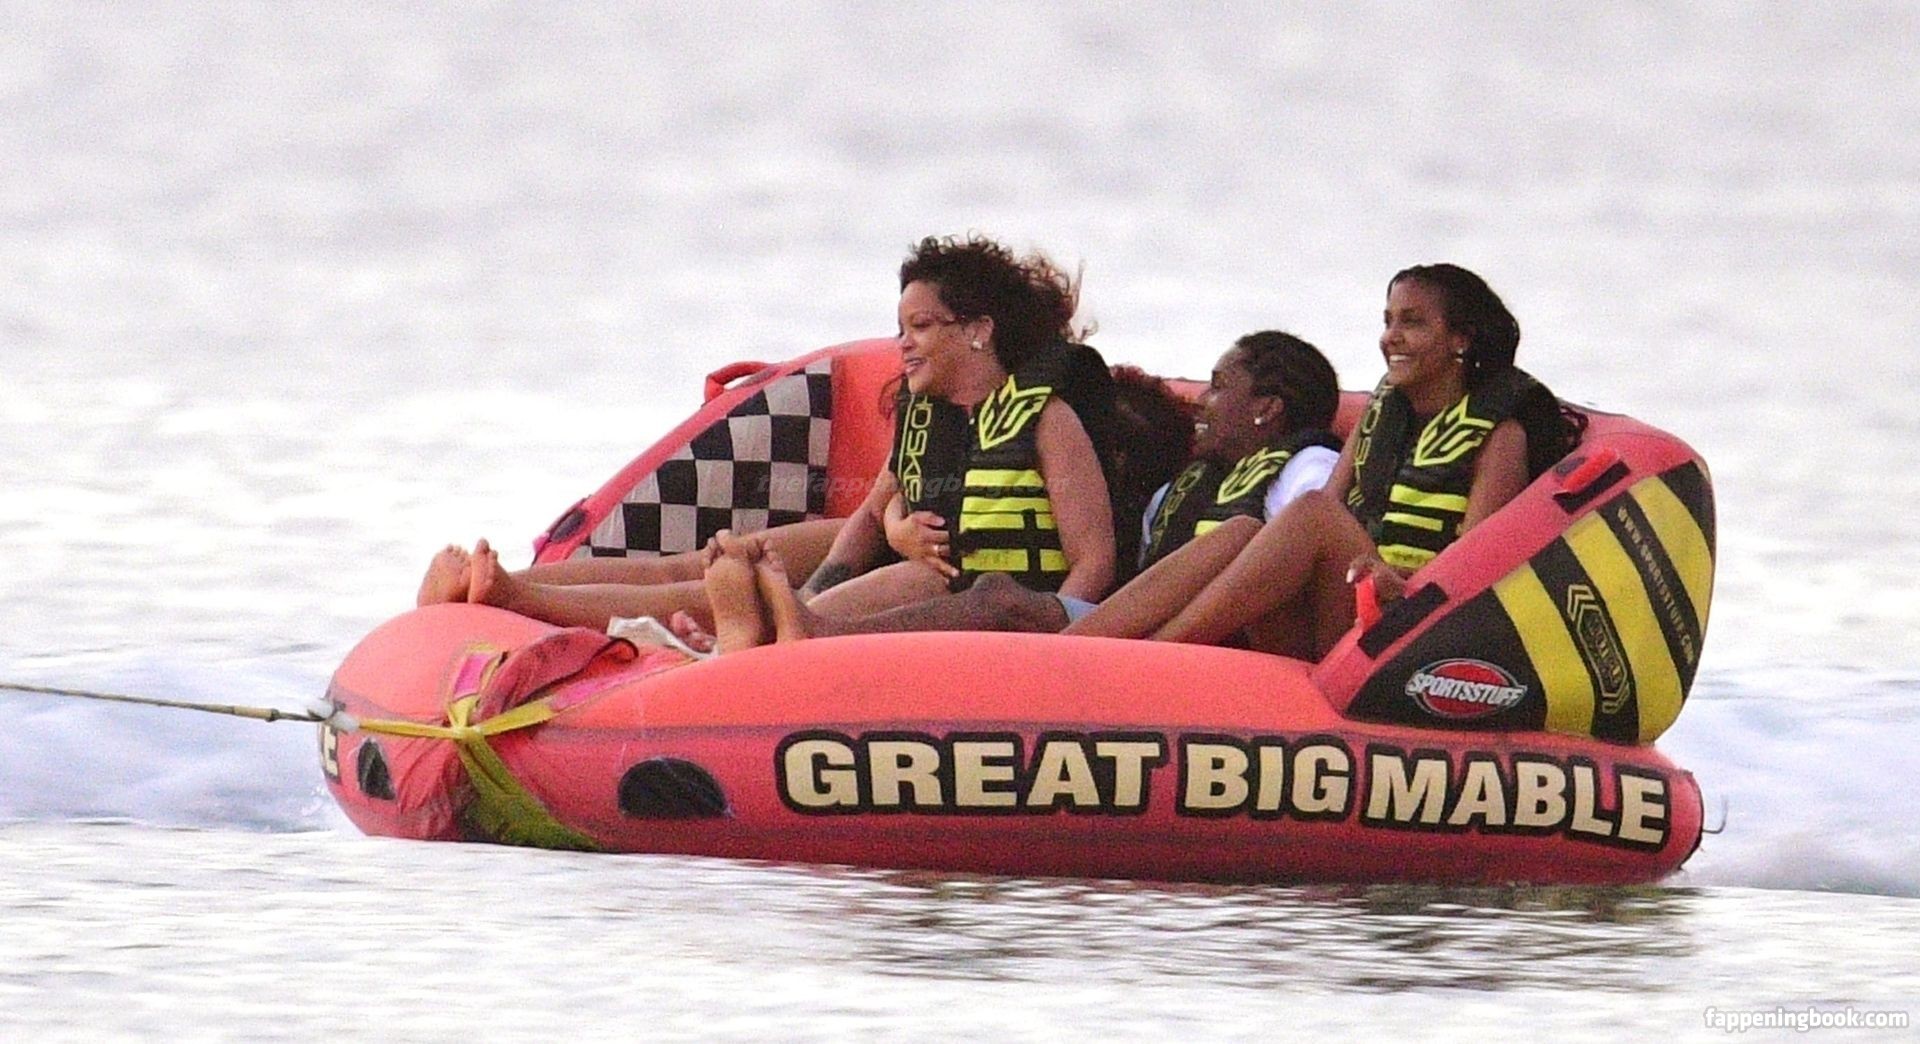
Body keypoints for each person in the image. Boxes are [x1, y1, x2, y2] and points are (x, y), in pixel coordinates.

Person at [440, 234, 1118, 649]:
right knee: (689, 570)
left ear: (977, 330)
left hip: (985, 591)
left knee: (773, 590)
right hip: (910, 562)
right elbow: (864, 521)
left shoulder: (1047, 419)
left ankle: (748, 635)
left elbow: (1094, 558)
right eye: (900, 329)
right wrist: (844, 564)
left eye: (920, 327)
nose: (904, 345)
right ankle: (512, 586)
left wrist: (1062, 643)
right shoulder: (924, 415)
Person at [1062, 263, 1583, 660]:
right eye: (1388, 321)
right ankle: (1072, 651)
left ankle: (1153, 660)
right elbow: (1324, 510)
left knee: (1314, 515)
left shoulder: (1500, 434)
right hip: (1350, 605)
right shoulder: (1384, 416)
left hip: (1415, 629)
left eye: (1413, 323)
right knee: (1243, 528)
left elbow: (1474, 572)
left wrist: (1395, 577)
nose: (1391, 337)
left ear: (1460, 340)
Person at [703, 330, 1346, 644]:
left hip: (1215, 645)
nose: (1203, 400)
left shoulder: (1306, 470)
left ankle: (817, 635)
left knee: (996, 598)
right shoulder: (1184, 487)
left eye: (1220, 386)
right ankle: (775, 630)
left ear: (1268, 408)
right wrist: (897, 523)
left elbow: (1300, 554)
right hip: (1137, 627)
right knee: (988, 594)